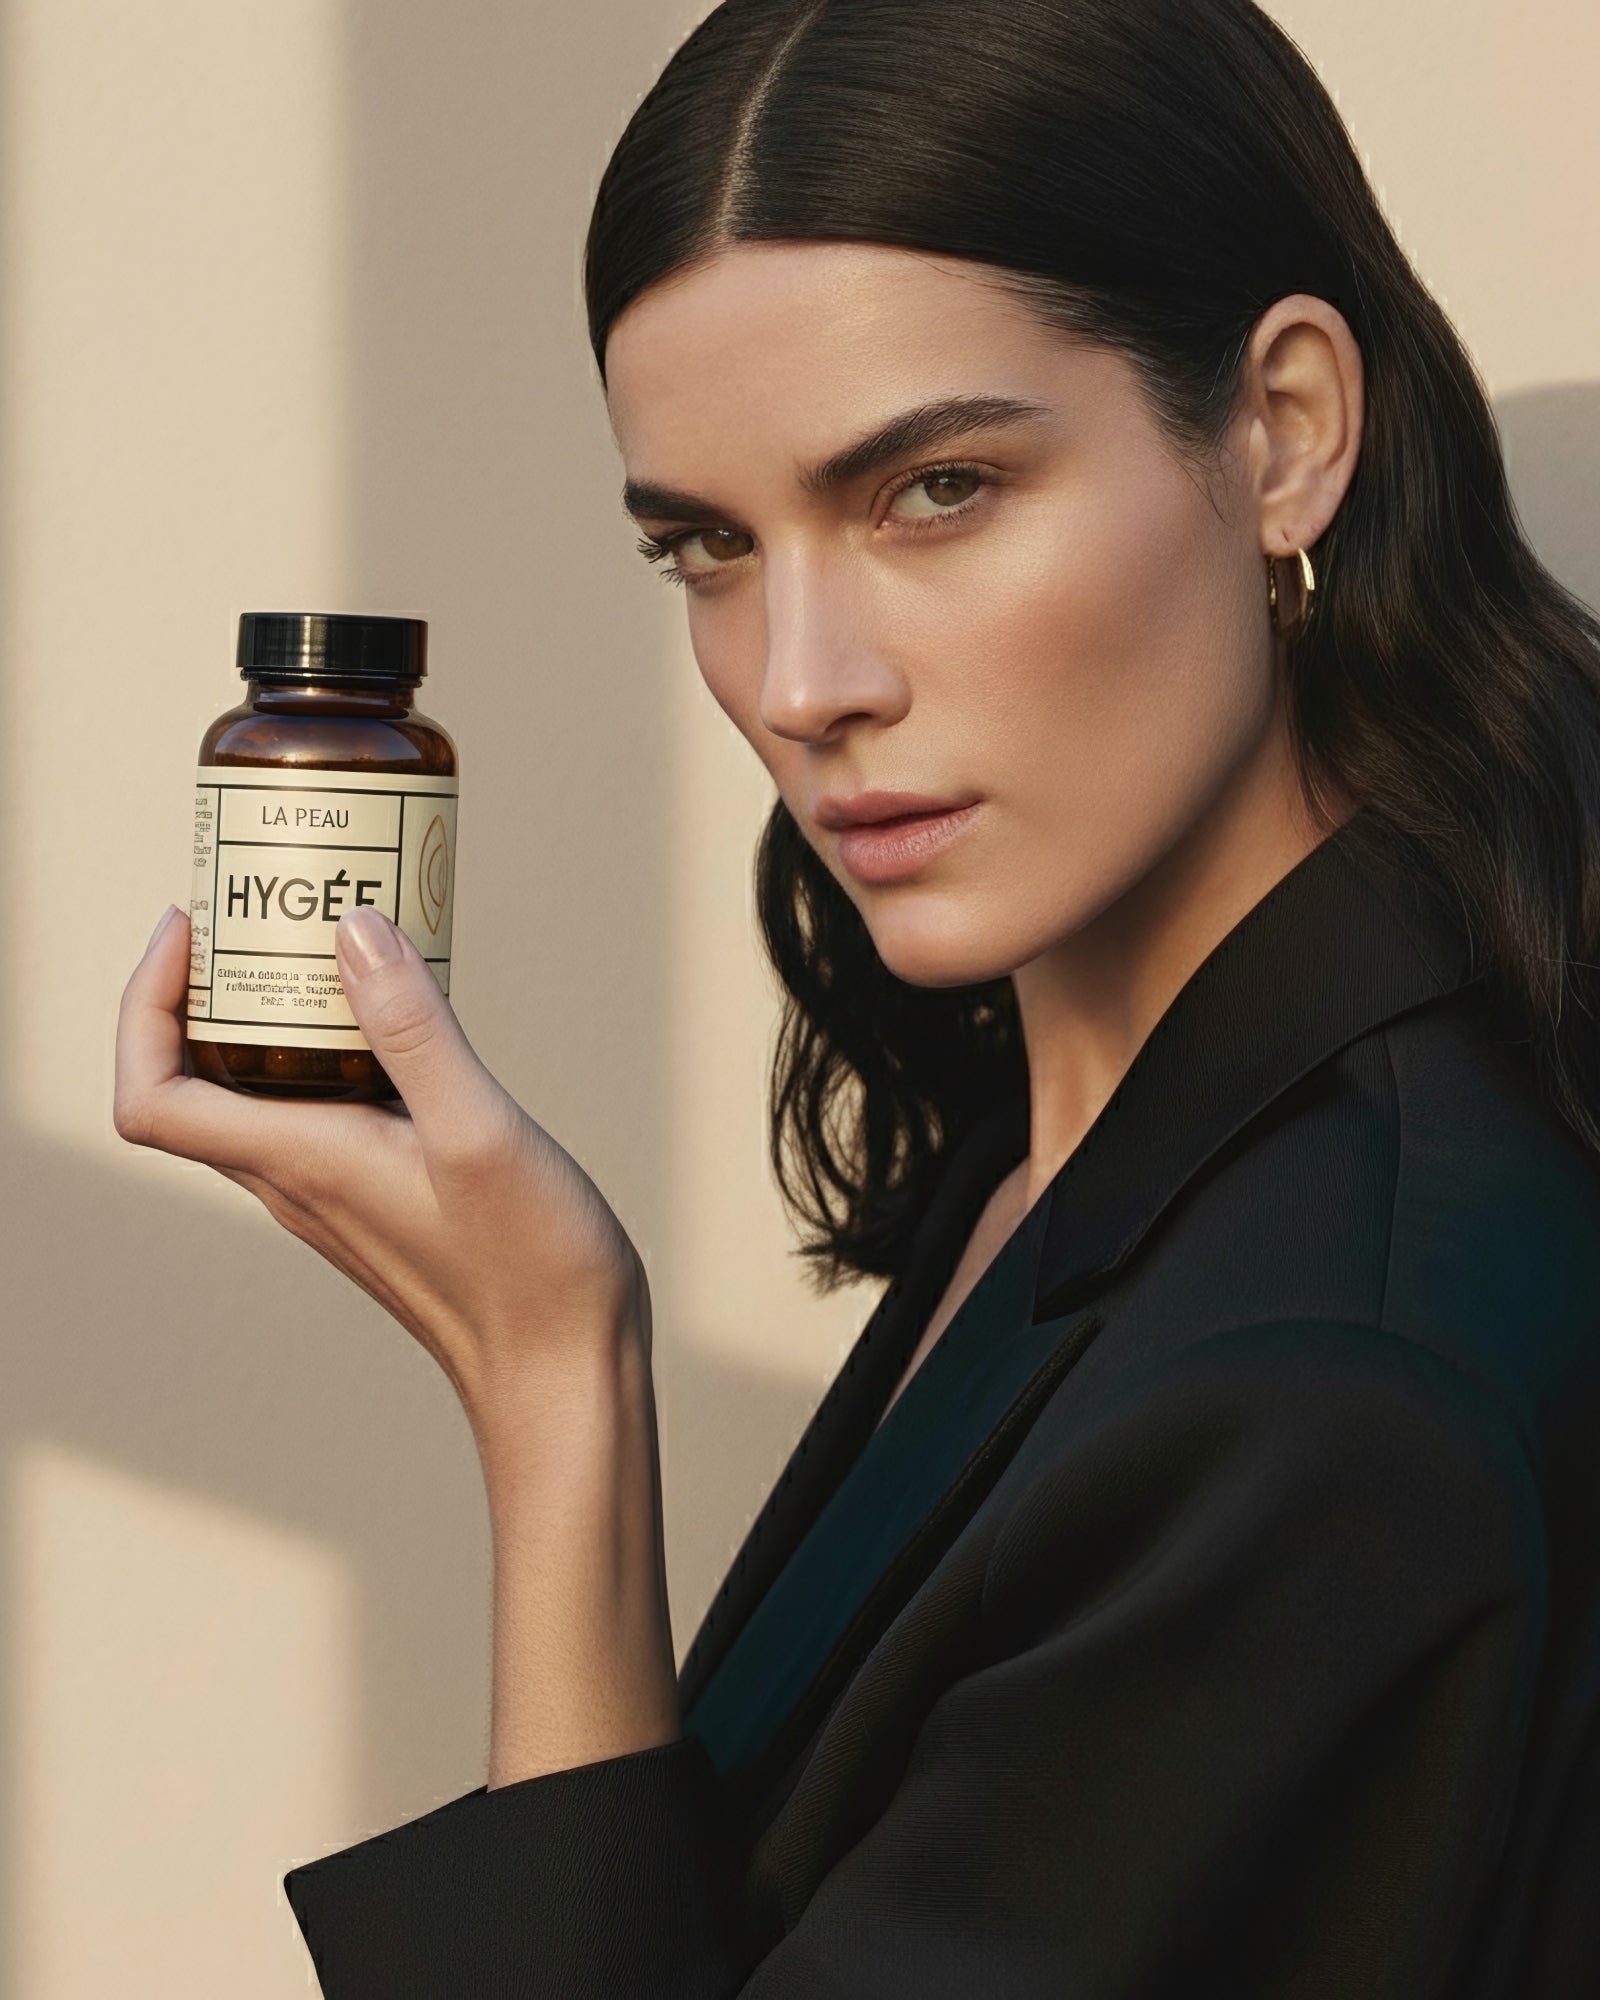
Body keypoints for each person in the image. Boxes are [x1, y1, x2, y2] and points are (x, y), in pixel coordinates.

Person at [113, 0, 1600, 1992]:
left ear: (1283, 431)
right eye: (707, 545)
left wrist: (556, 1395)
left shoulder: (1325, 1384)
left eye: (931, 490)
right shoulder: (1099, 1131)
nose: (798, 679)